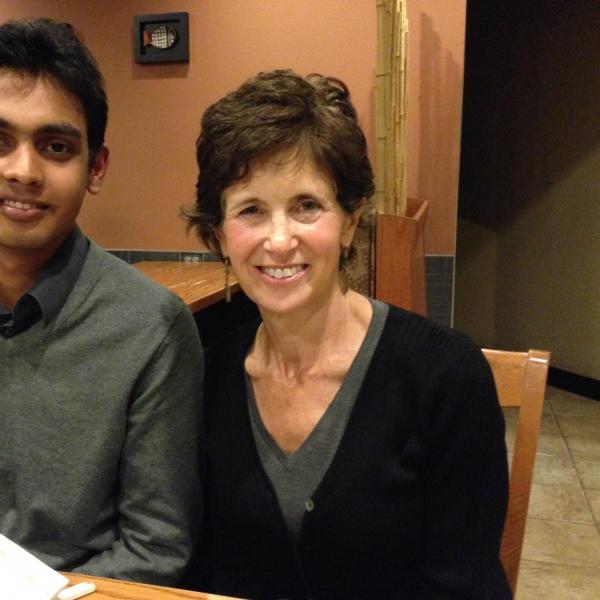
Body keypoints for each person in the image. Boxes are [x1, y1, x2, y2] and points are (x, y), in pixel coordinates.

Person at [186, 69, 512, 599]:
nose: (279, 239)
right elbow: (208, 571)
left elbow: (465, 586)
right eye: (250, 210)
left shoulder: (446, 375)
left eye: (306, 206)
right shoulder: (211, 376)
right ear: (221, 236)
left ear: (351, 223)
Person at [0, 19, 203, 585]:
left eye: (56, 146)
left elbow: (156, 550)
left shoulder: (150, 327)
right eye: (0, 142)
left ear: (97, 168)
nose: (22, 171)